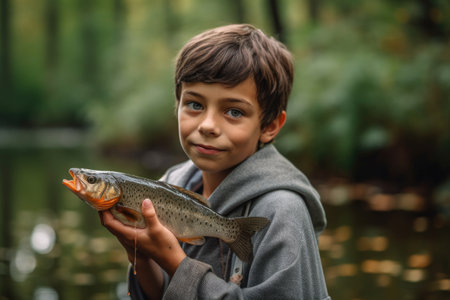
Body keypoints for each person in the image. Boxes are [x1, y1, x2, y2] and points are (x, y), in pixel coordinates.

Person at [99, 24, 330, 300]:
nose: (208, 125)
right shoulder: (172, 184)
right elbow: (159, 292)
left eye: (233, 111)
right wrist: (142, 254)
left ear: (269, 125)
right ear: (177, 104)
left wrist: (177, 263)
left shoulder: (282, 210)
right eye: (195, 105)